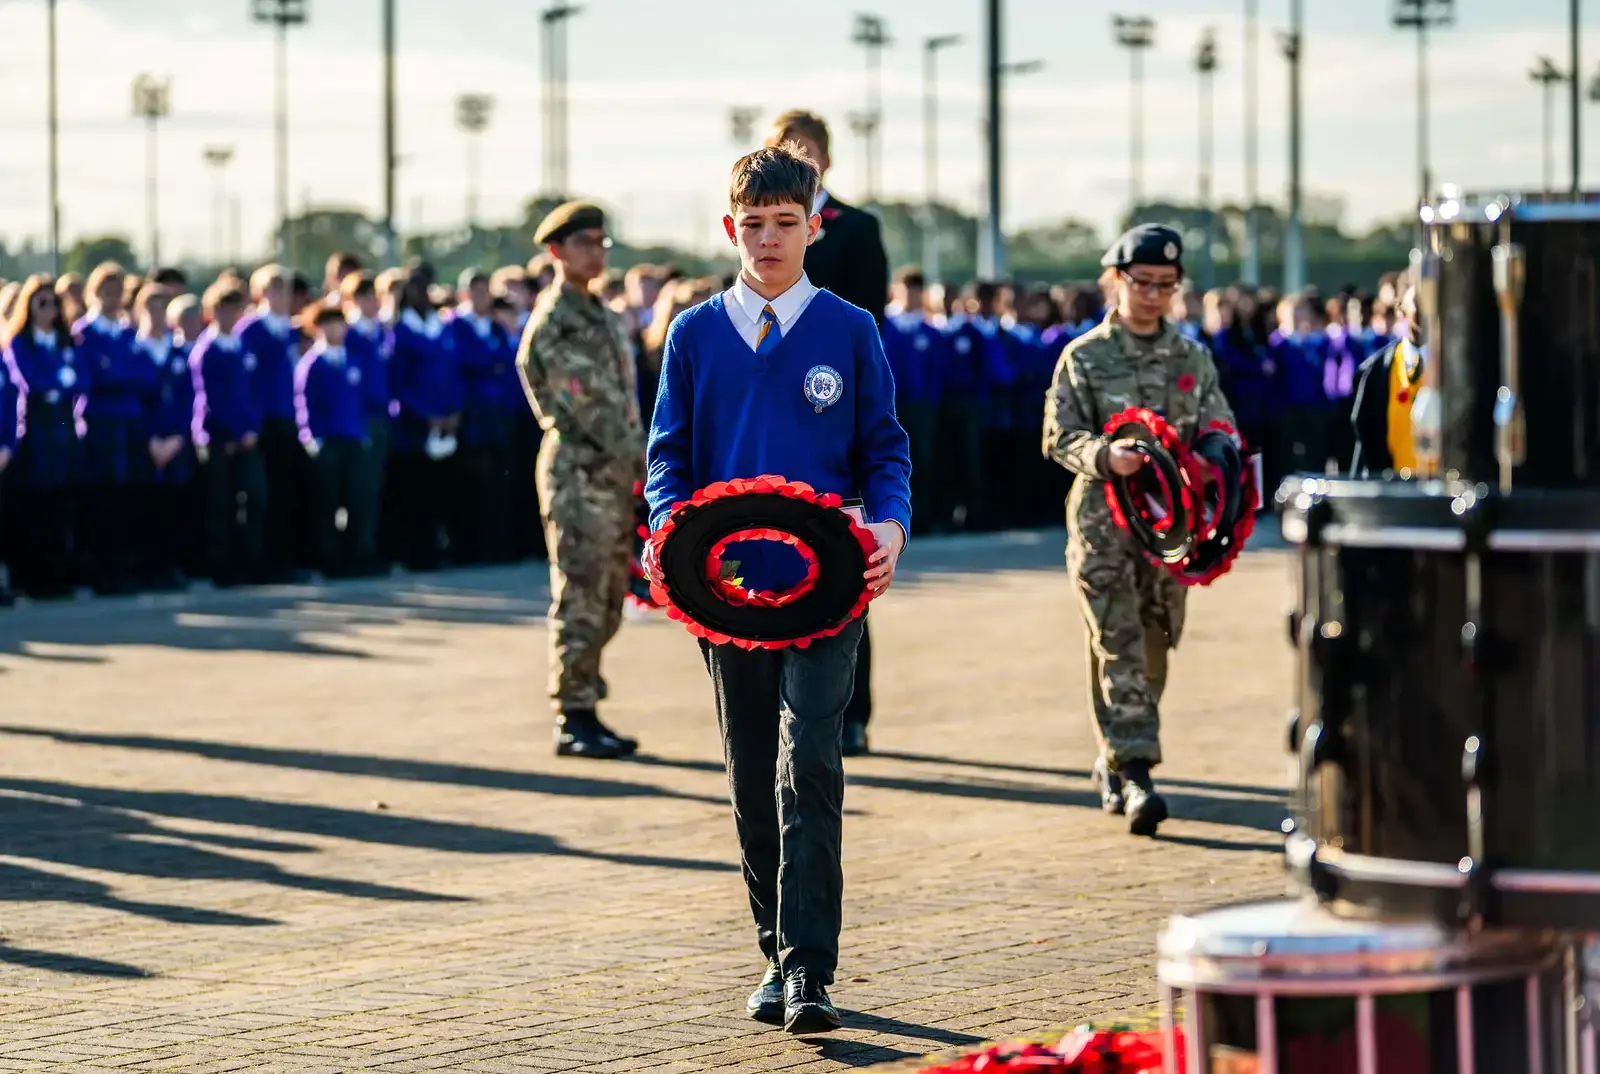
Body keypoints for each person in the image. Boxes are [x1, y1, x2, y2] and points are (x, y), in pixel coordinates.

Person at [643, 143, 911, 1034]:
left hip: (830, 589)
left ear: (813, 227)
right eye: (751, 224)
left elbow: (885, 449)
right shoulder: (692, 334)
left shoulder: (850, 329)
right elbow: (668, 458)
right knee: (751, 773)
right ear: (729, 227)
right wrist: (665, 533)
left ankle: (809, 970)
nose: (767, 239)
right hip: (724, 594)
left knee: (814, 766)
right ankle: (771, 948)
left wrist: (890, 528)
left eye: (785, 224)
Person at [1041, 224, 1235, 838]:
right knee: (1117, 638)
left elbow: (1219, 426)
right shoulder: (1085, 356)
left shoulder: (1191, 357)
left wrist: (1213, 459)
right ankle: (1134, 774)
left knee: (1155, 640)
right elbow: (1058, 437)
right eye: (1142, 283)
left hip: (1169, 532)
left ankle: (1116, 754)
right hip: (1102, 526)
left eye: (1166, 286)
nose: (1153, 296)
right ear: (1116, 280)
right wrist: (1106, 455)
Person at [764, 109, 889, 758]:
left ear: (828, 161)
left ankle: (851, 712)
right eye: (785, 149)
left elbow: (870, 323)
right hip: (769, 421)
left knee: (846, 565)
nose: (797, 159)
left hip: (833, 411)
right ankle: (779, 706)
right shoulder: (761, 228)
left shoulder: (858, 229)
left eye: (807, 150)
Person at [516, 201, 643, 760]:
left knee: (611, 594)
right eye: (584, 242)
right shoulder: (555, 323)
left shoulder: (603, 315)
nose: (596, 251)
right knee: (581, 594)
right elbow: (590, 406)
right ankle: (573, 714)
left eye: (600, 242)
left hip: (613, 474)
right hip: (579, 475)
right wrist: (646, 463)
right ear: (556, 252)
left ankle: (589, 703)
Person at [2, 275, 85, 599]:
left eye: (54, 303)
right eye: (42, 303)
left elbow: (81, 380)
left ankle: (58, 576)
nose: (49, 310)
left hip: (62, 424)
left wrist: (60, 382)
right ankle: (34, 578)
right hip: (35, 425)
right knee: (35, 503)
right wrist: (59, 380)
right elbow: (31, 381)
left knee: (60, 503)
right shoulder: (20, 341)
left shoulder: (66, 340)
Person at [190, 279, 268, 588]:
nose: (231, 315)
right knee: (220, 504)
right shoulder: (206, 351)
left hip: (247, 437)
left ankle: (250, 562)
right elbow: (211, 401)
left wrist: (251, 429)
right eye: (224, 308)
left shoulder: (242, 347)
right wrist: (236, 432)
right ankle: (221, 566)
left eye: (236, 308)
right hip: (219, 439)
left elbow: (255, 393)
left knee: (253, 499)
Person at [295, 303, 367, 577]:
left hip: (352, 439)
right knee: (327, 503)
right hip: (327, 443)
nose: (335, 329)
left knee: (355, 499)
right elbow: (305, 405)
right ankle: (329, 559)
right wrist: (313, 439)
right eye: (328, 324)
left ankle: (353, 557)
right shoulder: (311, 364)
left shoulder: (352, 360)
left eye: (339, 323)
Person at [1349, 270, 1423, 478]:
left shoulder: (1461, 366)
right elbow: (1366, 450)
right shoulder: (1375, 373)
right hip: (1395, 497)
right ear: (1400, 308)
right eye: (1421, 300)